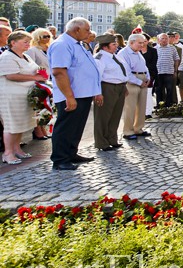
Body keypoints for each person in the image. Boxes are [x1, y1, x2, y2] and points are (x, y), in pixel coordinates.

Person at [48, 18, 102, 170]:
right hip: (72, 94)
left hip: (82, 93)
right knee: (66, 126)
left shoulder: (77, 44)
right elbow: (59, 72)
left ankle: (71, 153)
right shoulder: (62, 45)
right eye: (87, 29)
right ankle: (60, 159)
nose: (89, 32)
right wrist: (69, 97)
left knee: (76, 127)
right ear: (76, 29)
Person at [0, 31, 48, 165]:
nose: (28, 44)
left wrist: (41, 73)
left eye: (28, 42)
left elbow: (35, 69)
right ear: (13, 43)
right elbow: (11, 75)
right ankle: (8, 153)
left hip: (25, 96)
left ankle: (17, 149)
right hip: (11, 96)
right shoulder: (7, 57)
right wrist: (35, 78)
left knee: (20, 124)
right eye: (24, 42)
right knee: (11, 124)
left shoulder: (26, 56)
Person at [92, 34, 128, 151]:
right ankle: (101, 142)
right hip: (107, 87)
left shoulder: (115, 56)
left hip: (119, 87)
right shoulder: (100, 58)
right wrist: (98, 93)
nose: (116, 46)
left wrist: (124, 86)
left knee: (115, 115)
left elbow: (120, 73)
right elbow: (96, 76)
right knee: (103, 116)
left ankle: (112, 139)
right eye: (113, 44)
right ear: (105, 47)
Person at [118, 33, 151, 140]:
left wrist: (147, 78)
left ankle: (138, 128)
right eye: (140, 43)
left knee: (142, 107)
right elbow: (126, 72)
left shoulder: (138, 52)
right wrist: (138, 82)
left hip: (142, 79)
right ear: (131, 42)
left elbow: (145, 67)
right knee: (130, 107)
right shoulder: (124, 53)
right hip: (132, 81)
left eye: (143, 43)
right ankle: (128, 131)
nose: (142, 45)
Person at [26, 27, 53, 140]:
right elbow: (30, 65)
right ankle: (38, 130)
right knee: (39, 106)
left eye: (48, 36)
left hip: (49, 80)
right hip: (38, 81)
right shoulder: (33, 50)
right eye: (44, 36)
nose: (46, 38)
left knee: (46, 106)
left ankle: (44, 128)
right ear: (37, 37)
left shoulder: (50, 48)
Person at [154, 33, 180, 107]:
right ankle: (159, 105)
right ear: (159, 40)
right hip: (158, 72)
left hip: (169, 72)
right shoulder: (155, 49)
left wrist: (175, 71)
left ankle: (169, 105)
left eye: (166, 38)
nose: (165, 40)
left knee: (169, 89)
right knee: (158, 90)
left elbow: (176, 59)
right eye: (163, 38)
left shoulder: (172, 48)